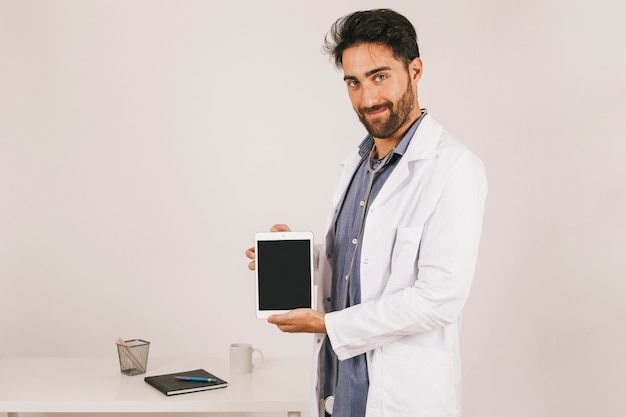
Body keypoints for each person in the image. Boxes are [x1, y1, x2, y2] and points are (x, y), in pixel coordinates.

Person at [245, 8, 487, 417]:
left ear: (415, 70)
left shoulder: (455, 167)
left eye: (380, 76)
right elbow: (358, 266)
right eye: (353, 83)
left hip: (397, 396)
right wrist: (297, 257)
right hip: (336, 389)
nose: (367, 98)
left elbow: (440, 299)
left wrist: (327, 325)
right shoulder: (357, 164)